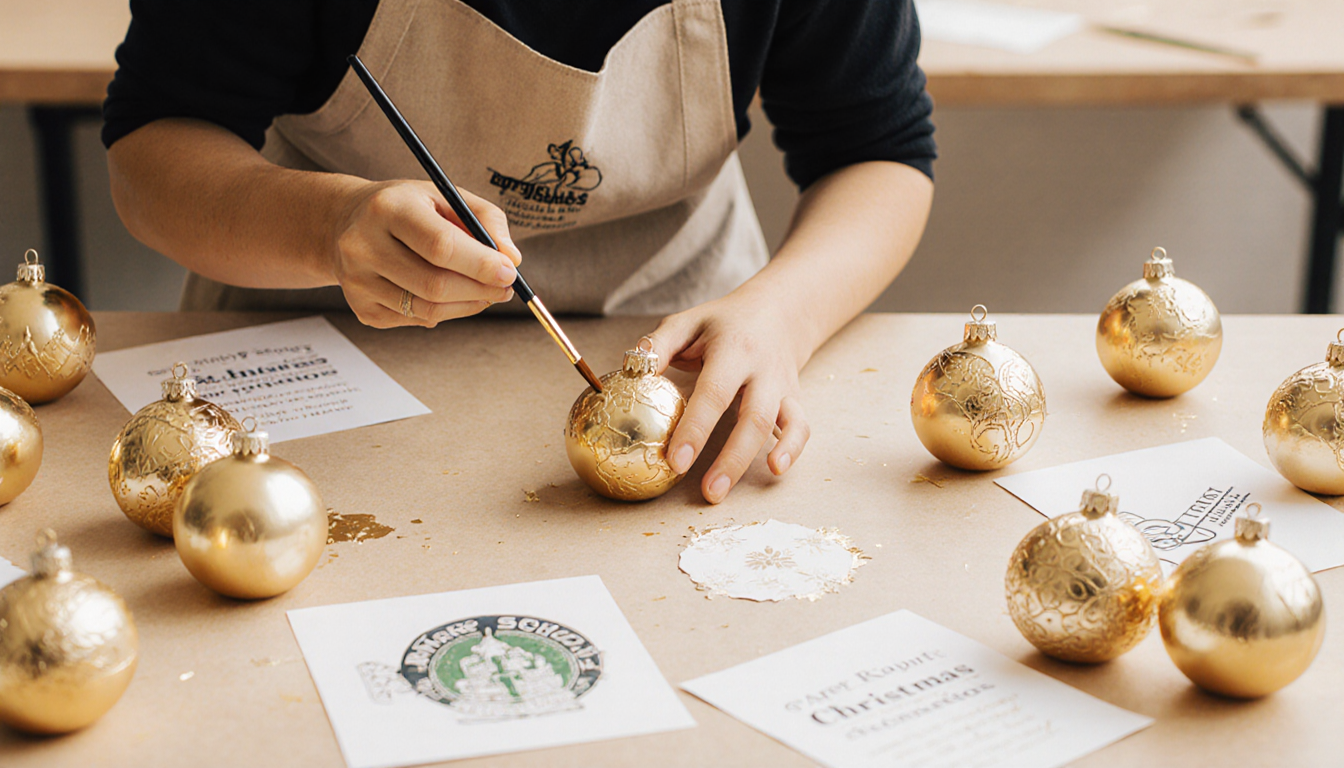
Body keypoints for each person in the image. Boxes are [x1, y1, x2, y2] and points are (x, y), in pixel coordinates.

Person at [102, 0, 936, 504]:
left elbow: (878, 150)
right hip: (314, 343)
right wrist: (329, 227)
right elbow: (154, 155)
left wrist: (784, 315)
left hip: (687, 335)